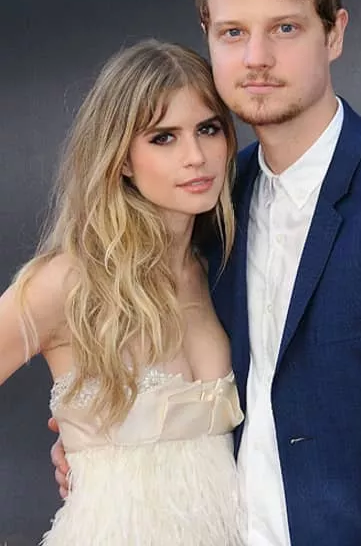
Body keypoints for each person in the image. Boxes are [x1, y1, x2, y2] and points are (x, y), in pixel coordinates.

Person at [53, 0, 361, 544]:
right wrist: (95, 441)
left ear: (334, 34)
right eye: (233, 32)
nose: (257, 58)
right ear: (208, 38)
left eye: (285, 28)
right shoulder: (211, 204)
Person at [0, 39, 245, 545]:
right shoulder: (68, 281)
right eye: (163, 138)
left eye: (208, 129)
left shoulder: (219, 270)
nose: (196, 157)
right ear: (122, 158)